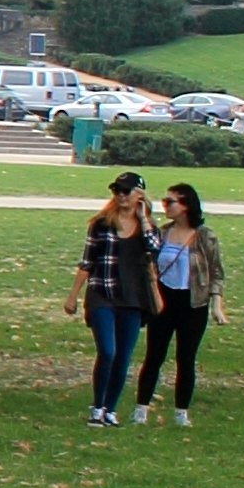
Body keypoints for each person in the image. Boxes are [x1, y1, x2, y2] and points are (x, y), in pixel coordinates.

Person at [71, 173, 159, 428]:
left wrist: (143, 219)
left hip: (132, 299)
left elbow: (154, 248)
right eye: (117, 190)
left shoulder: (148, 227)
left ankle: (110, 409)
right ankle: (97, 407)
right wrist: (73, 295)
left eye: (126, 191)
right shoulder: (101, 224)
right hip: (102, 293)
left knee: (123, 356)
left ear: (139, 195)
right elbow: (87, 261)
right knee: (107, 351)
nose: (120, 195)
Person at [137, 180, 221, 425]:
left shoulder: (205, 236)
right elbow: (148, 261)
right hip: (164, 301)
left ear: (185, 205)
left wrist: (217, 305)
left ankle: (181, 412)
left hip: (193, 303)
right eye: (164, 201)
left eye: (170, 202)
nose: (165, 206)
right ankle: (141, 409)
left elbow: (216, 272)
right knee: (154, 356)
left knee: (186, 358)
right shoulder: (163, 233)